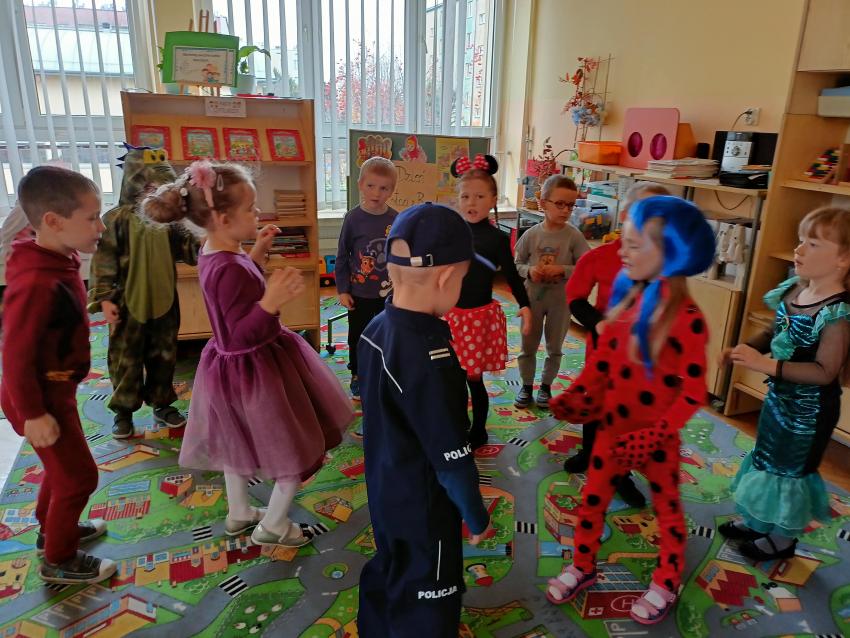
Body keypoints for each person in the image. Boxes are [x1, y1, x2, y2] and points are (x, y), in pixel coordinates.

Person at [143, 160, 353, 549]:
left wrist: (257, 251)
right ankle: (274, 525)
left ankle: (239, 511)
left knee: (236, 445)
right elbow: (240, 332)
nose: (259, 214)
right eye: (251, 209)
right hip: (255, 367)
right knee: (292, 447)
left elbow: (238, 290)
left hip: (230, 368)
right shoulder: (227, 267)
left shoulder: (216, 251)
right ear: (224, 219)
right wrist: (270, 302)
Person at [546, 196, 714, 625]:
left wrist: (657, 433)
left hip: (655, 437)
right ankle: (582, 565)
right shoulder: (625, 302)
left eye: (635, 244)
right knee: (592, 501)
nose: (622, 250)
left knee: (667, 511)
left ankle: (666, 581)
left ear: (669, 253)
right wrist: (578, 395)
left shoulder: (687, 318)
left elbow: (695, 392)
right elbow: (603, 362)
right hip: (612, 429)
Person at [357, 204, 490, 637]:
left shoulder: (376, 328)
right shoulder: (431, 359)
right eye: (463, 278)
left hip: (384, 482)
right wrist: (475, 514)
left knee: (393, 559)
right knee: (432, 582)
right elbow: (451, 456)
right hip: (424, 500)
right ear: (446, 278)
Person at [0, 166, 116, 584]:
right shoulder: (36, 281)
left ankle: (51, 529)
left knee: (61, 467)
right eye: (92, 217)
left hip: (57, 389)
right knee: (79, 476)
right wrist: (33, 413)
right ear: (53, 221)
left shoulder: (58, 257)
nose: (100, 226)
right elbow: (14, 354)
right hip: (39, 396)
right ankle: (59, 558)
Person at [720, 206, 850, 561]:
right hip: (779, 400)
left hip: (809, 413)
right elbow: (773, 332)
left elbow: (824, 371)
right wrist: (747, 348)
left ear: (843, 259)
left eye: (813, 244)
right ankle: (759, 520)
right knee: (766, 459)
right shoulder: (795, 289)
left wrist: (765, 364)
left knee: (789, 472)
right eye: (800, 240)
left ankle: (782, 539)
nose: (799, 249)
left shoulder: (836, 314)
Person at [562, 182, 671, 507]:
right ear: (624, 216)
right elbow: (575, 296)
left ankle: (621, 473)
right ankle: (589, 451)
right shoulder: (600, 257)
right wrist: (598, 323)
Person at [88, 145, 200, 438]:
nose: (154, 192)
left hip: (164, 300)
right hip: (127, 303)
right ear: (132, 183)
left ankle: (162, 403)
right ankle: (123, 411)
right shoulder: (116, 220)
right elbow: (103, 262)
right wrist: (104, 298)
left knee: (164, 355)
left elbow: (190, 250)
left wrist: (207, 239)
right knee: (125, 358)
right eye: (148, 185)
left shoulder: (170, 221)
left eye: (160, 187)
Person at [445, 154, 531, 449]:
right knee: (453, 378)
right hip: (450, 316)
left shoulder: (496, 239)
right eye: (465, 196)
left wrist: (525, 305)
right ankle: (458, 423)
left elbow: (512, 275)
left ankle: (478, 429)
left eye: (480, 196)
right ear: (457, 200)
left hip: (478, 319)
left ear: (493, 199)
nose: (472, 202)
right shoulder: (451, 233)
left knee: (473, 379)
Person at [514, 175, 590, 409]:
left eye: (571, 205)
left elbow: (586, 267)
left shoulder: (573, 236)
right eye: (560, 204)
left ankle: (546, 386)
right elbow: (516, 264)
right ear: (543, 203)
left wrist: (563, 270)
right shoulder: (531, 235)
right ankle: (526, 386)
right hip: (532, 299)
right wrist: (529, 271)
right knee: (528, 345)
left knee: (555, 347)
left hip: (561, 301)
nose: (566, 210)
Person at [335, 156, 399, 400]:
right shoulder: (353, 218)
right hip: (359, 293)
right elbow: (342, 255)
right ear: (360, 184)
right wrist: (343, 289)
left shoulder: (396, 218)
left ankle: (385, 371)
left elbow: (401, 255)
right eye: (371, 185)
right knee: (358, 336)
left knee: (388, 335)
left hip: (389, 294)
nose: (376, 193)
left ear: (392, 190)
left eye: (384, 188)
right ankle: (358, 374)